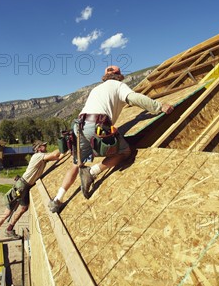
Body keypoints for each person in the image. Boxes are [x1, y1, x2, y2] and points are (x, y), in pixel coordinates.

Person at [48, 66, 174, 213]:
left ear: (105, 76)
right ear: (119, 76)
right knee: (124, 151)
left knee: (76, 163)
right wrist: (159, 106)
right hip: (97, 125)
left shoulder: (96, 89)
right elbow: (134, 98)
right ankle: (92, 172)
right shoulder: (118, 85)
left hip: (79, 126)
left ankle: (57, 200)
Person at [0, 140, 61, 253]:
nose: (46, 146)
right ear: (39, 148)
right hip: (21, 186)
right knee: (7, 213)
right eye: (44, 145)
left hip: (26, 186)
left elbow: (57, 157)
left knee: (23, 208)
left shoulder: (42, 157)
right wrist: (65, 144)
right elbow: (55, 154)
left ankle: (9, 228)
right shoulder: (38, 156)